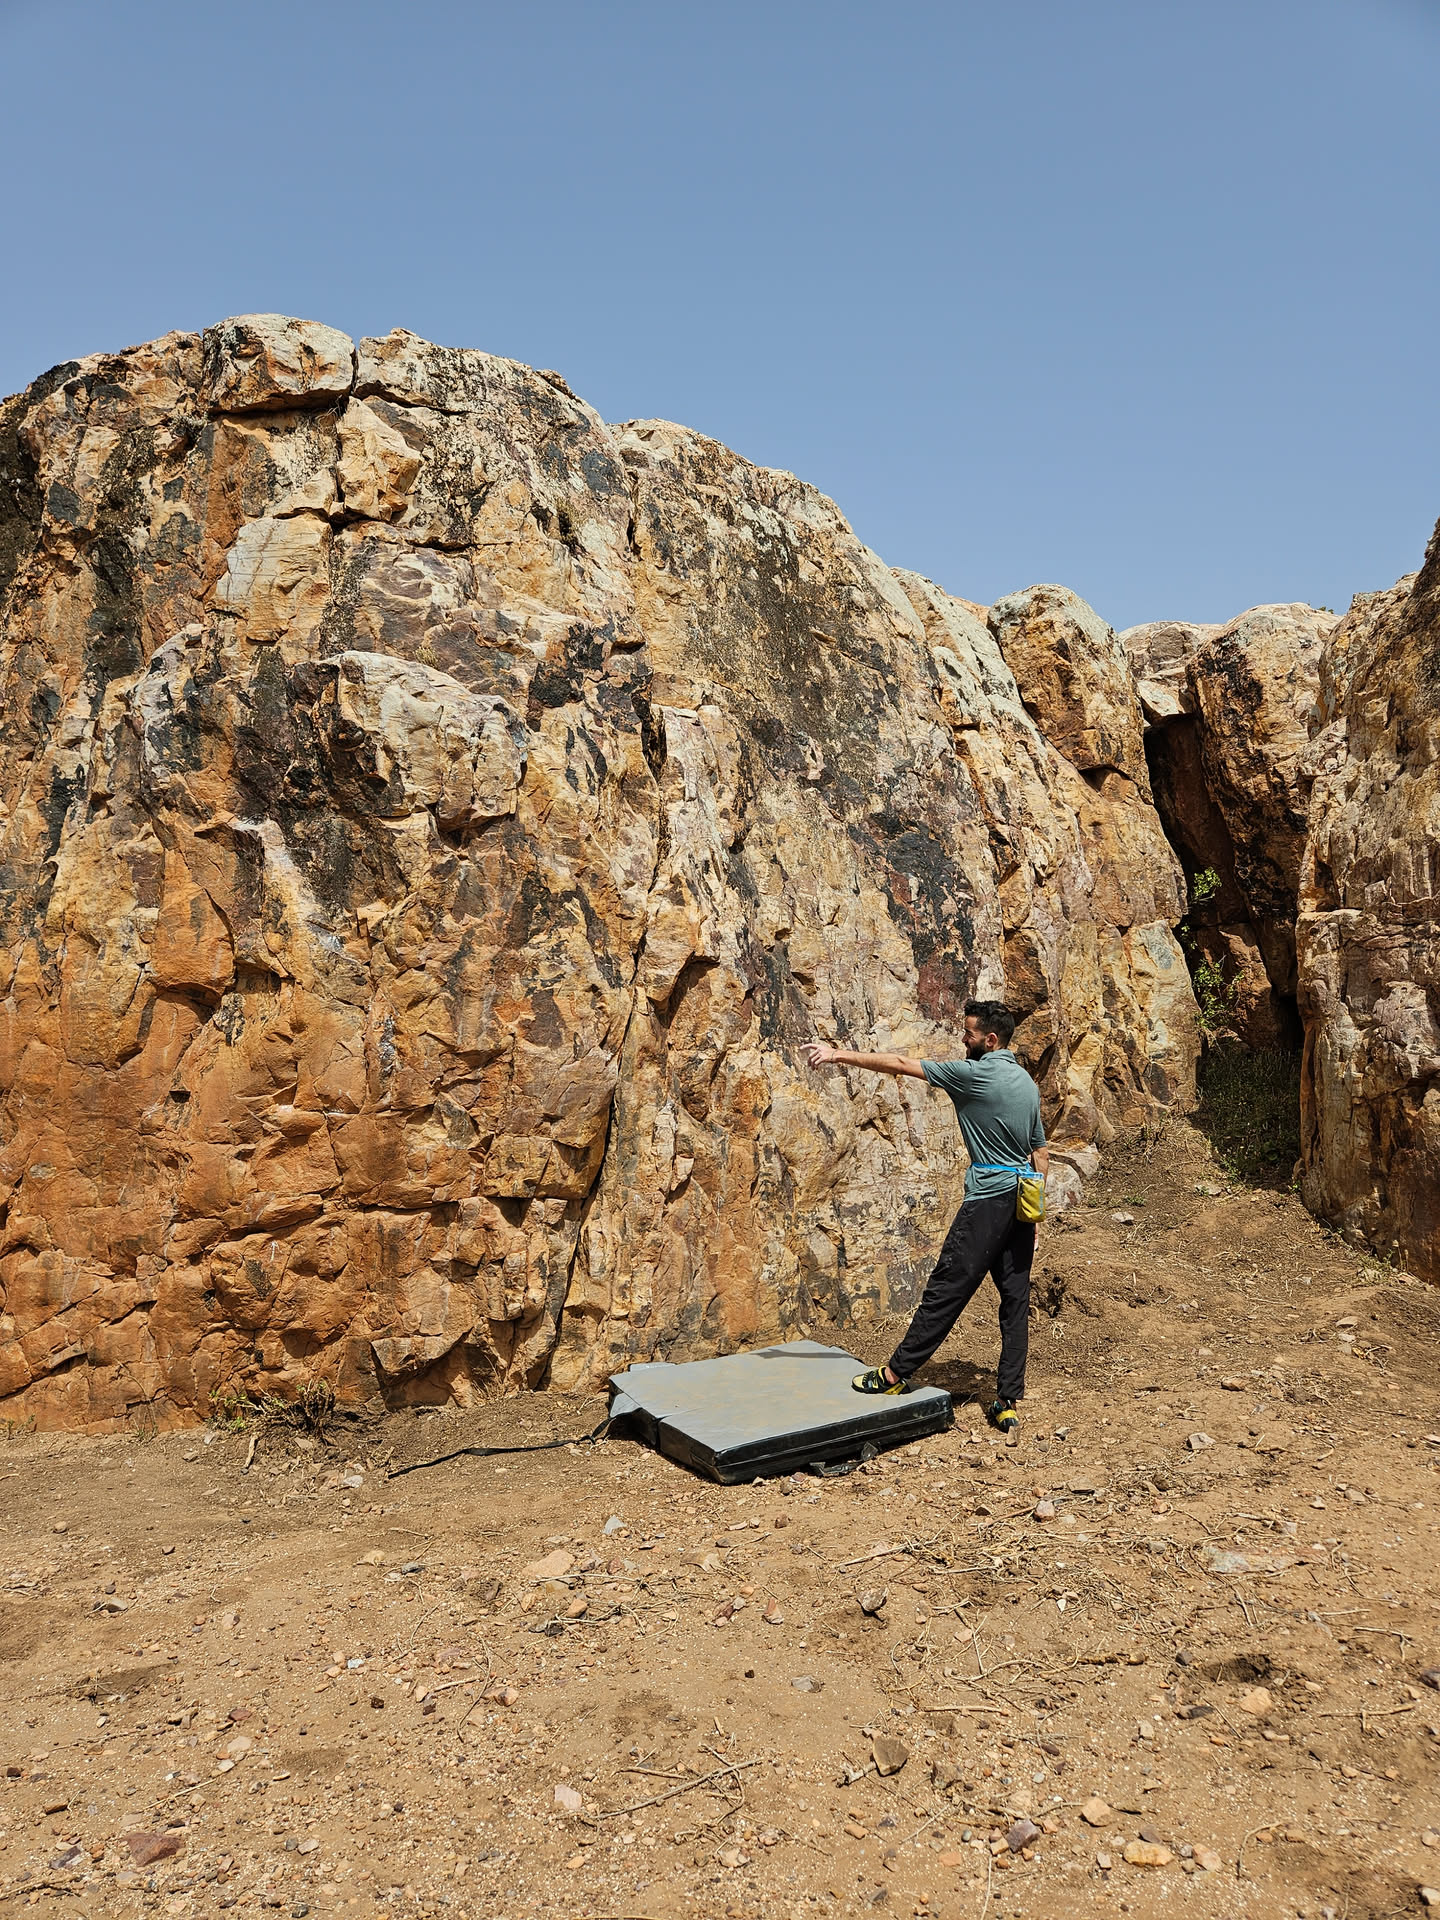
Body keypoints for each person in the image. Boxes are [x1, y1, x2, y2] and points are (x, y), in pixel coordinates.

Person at [803, 999, 1048, 1445]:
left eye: (969, 1034)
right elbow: (1040, 1153)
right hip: (1022, 1204)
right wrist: (1034, 1217)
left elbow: (899, 1064)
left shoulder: (974, 1074)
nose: (964, 1039)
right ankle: (1007, 1399)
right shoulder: (1027, 1084)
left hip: (988, 1202)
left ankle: (895, 1374)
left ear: (991, 1040)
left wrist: (836, 1054)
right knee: (1015, 1301)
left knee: (946, 1289)